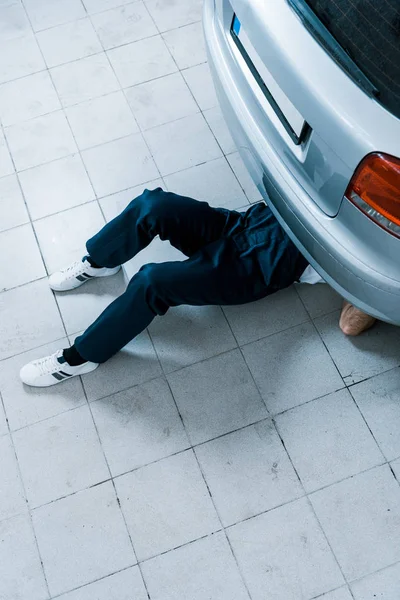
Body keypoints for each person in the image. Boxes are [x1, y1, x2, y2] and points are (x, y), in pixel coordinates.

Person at [20, 188, 376, 387]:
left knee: (151, 282)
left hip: (253, 268)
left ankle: (80, 359)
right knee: (153, 206)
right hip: (246, 223)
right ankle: (101, 260)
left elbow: (353, 321)